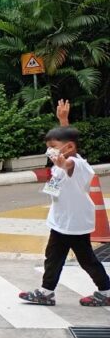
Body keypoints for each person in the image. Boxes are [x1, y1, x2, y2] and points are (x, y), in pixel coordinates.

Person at [19, 120, 110, 307]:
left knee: (86, 260)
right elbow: (68, 145)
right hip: (61, 222)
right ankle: (46, 292)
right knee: (54, 257)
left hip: (74, 224)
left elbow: (70, 163)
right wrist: (63, 121)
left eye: (53, 147)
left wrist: (63, 162)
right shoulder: (62, 161)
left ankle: (106, 291)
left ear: (68, 147)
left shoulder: (76, 164)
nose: (49, 151)